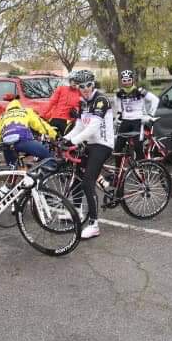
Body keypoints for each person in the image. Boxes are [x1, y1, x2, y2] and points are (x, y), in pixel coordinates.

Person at [61, 69, 114, 239]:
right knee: (76, 174)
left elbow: (92, 128)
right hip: (90, 143)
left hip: (103, 145)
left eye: (88, 85)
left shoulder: (101, 100)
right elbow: (79, 126)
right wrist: (64, 139)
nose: (85, 88)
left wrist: (73, 142)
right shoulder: (82, 101)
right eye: (81, 86)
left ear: (93, 83)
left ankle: (94, 225)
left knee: (87, 183)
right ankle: (76, 211)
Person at [0, 94, 57, 166]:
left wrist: (0, 142)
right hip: (24, 140)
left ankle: (13, 174)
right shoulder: (26, 111)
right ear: (19, 104)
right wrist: (54, 134)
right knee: (48, 157)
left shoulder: (3, 115)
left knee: (12, 169)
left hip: (7, 144)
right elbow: (41, 125)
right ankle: (46, 176)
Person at [113, 69, 159, 165]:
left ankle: (141, 174)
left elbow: (155, 100)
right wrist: (119, 114)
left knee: (138, 147)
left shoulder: (140, 91)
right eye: (124, 81)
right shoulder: (119, 93)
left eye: (129, 80)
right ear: (121, 81)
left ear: (132, 80)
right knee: (117, 149)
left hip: (137, 121)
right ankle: (117, 174)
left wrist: (150, 115)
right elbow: (117, 102)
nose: (126, 83)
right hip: (125, 121)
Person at [42, 71, 82, 136]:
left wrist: (76, 110)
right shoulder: (61, 89)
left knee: (67, 141)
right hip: (55, 118)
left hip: (68, 120)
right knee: (48, 137)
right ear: (70, 80)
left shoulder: (80, 93)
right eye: (73, 80)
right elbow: (51, 102)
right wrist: (42, 115)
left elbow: (82, 107)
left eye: (77, 81)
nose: (75, 82)